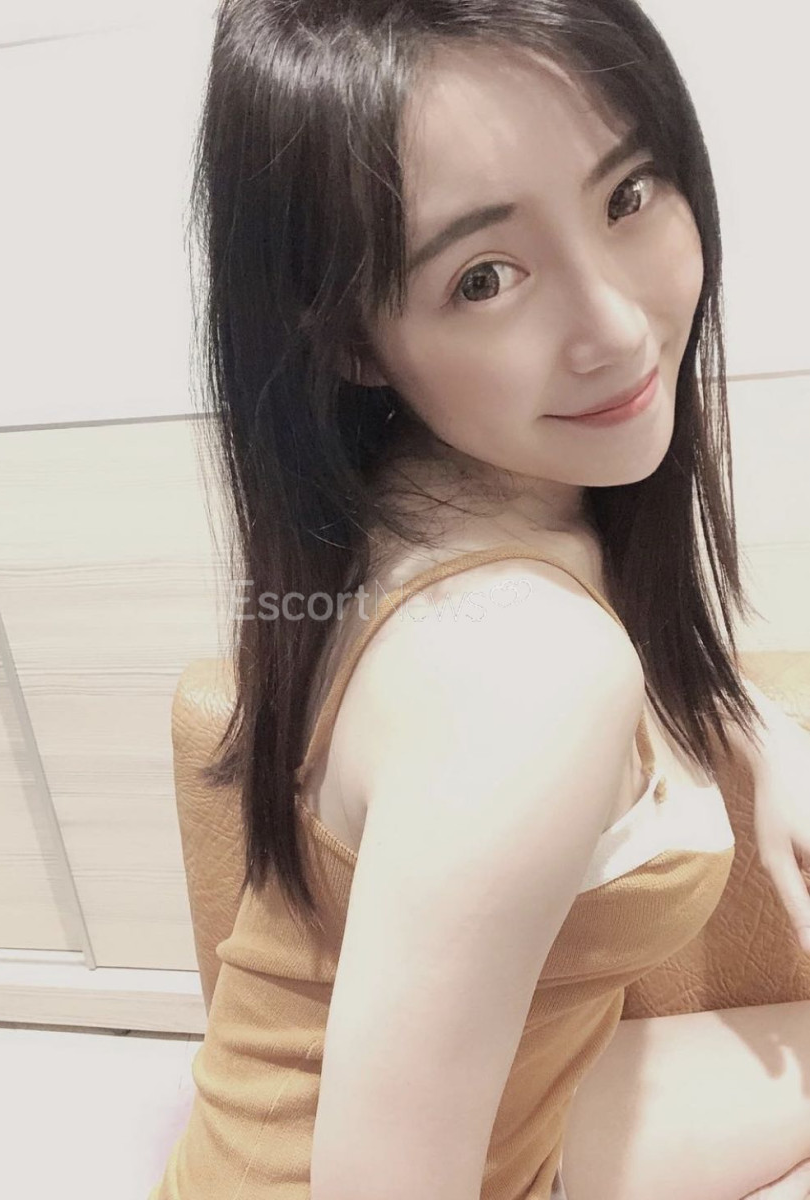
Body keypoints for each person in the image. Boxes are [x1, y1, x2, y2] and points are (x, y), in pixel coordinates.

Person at [149, 2, 810, 1197]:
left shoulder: (443, 490)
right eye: (484, 277)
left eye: (626, 194)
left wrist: (759, 734)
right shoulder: (516, 669)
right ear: (351, 337)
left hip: (519, 1113)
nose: (614, 327)